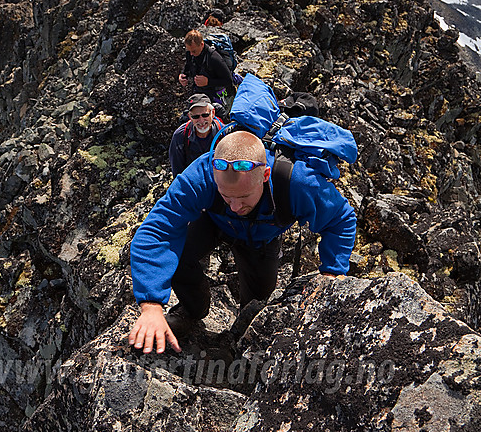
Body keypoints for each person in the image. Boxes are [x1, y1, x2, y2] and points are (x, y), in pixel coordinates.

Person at [129, 130, 357, 355]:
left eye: (244, 197)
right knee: (177, 255)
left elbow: (341, 219)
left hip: (261, 238)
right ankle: (191, 311)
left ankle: (239, 338)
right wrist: (151, 306)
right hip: (214, 223)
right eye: (226, 196)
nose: (235, 207)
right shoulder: (203, 174)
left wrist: (332, 273)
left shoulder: (298, 182)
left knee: (256, 304)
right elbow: (157, 230)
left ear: (265, 175)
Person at [169, 94, 224, 177]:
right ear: (190, 117)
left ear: (213, 113)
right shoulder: (180, 136)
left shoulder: (224, 134)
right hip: (192, 181)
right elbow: (177, 171)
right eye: (196, 116)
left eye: (205, 115)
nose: (201, 121)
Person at [179, 30, 234, 112]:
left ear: (201, 44)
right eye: (188, 51)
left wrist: (208, 82)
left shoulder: (214, 58)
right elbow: (188, 67)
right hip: (199, 92)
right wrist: (183, 76)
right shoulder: (191, 54)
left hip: (216, 95)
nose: (191, 54)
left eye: (193, 51)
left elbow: (228, 80)